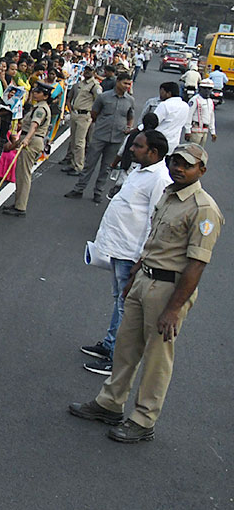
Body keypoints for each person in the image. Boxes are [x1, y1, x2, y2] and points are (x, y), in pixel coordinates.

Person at [69, 143, 223, 443]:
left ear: (201, 170)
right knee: (126, 347)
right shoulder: (169, 194)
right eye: (175, 161)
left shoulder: (203, 209)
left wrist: (173, 309)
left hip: (169, 290)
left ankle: (143, 419)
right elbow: (154, 241)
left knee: (156, 358)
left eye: (186, 164)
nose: (178, 168)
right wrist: (136, 273)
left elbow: (196, 264)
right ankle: (110, 403)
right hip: (145, 279)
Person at [79, 130, 172, 375]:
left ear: (153, 152)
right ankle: (110, 344)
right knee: (119, 300)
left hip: (132, 252)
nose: (132, 149)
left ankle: (117, 359)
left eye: (138, 146)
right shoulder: (140, 171)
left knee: (126, 306)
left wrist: (141, 259)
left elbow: (156, 220)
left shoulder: (159, 178)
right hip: (119, 247)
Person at [67, 73, 135, 203]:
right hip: (100, 135)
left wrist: (128, 127)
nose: (127, 86)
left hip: (116, 138)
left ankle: (98, 192)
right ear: (118, 82)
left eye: (129, 84)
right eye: (125, 83)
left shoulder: (130, 100)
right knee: (90, 163)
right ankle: (79, 189)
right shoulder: (104, 97)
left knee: (106, 167)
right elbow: (94, 113)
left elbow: (130, 116)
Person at [2, 81, 52, 217]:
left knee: (23, 174)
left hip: (32, 141)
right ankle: (18, 202)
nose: (35, 93)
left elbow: (34, 126)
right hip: (30, 139)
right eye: (35, 90)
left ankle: (20, 207)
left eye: (38, 92)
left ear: (45, 96)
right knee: (20, 173)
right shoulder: (37, 106)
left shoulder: (41, 109)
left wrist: (26, 139)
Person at [62, 65, 101, 175]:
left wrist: (93, 116)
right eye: (86, 70)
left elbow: (99, 102)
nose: (87, 72)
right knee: (74, 141)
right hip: (76, 113)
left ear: (94, 72)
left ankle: (79, 166)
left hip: (85, 115)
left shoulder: (95, 86)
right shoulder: (81, 83)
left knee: (80, 142)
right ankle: (73, 163)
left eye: (90, 70)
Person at [147, 81, 189, 153]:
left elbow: (153, 122)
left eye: (162, 92)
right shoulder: (185, 106)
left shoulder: (164, 105)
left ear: (169, 93)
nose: (160, 95)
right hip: (173, 143)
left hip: (158, 141)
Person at [185, 79, 217, 146]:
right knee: (193, 151)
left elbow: (211, 117)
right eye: (204, 88)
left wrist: (213, 132)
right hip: (195, 130)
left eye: (209, 89)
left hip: (205, 130)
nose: (207, 91)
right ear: (200, 89)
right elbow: (188, 115)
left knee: (200, 152)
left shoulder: (210, 101)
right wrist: (187, 131)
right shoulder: (195, 99)